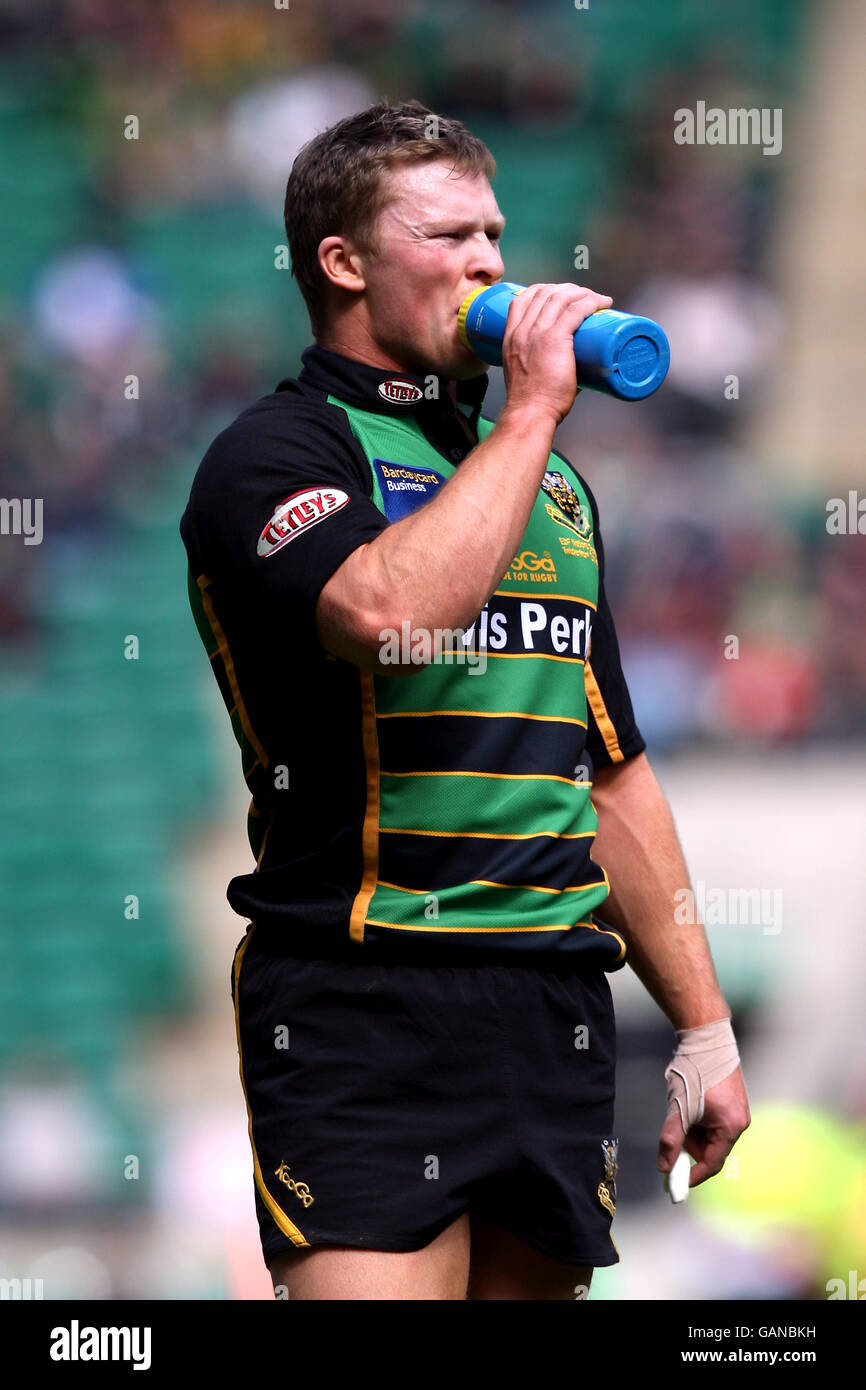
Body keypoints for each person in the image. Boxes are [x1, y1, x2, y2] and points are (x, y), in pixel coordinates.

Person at [179, 99, 750, 1301]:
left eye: (494, 234)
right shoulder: (276, 455)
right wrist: (532, 407)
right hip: (357, 995)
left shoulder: (550, 491)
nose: (490, 262)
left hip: (547, 997)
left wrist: (701, 1027)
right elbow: (389, 615)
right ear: (341, 263)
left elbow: (605, 769)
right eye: (447, 237)